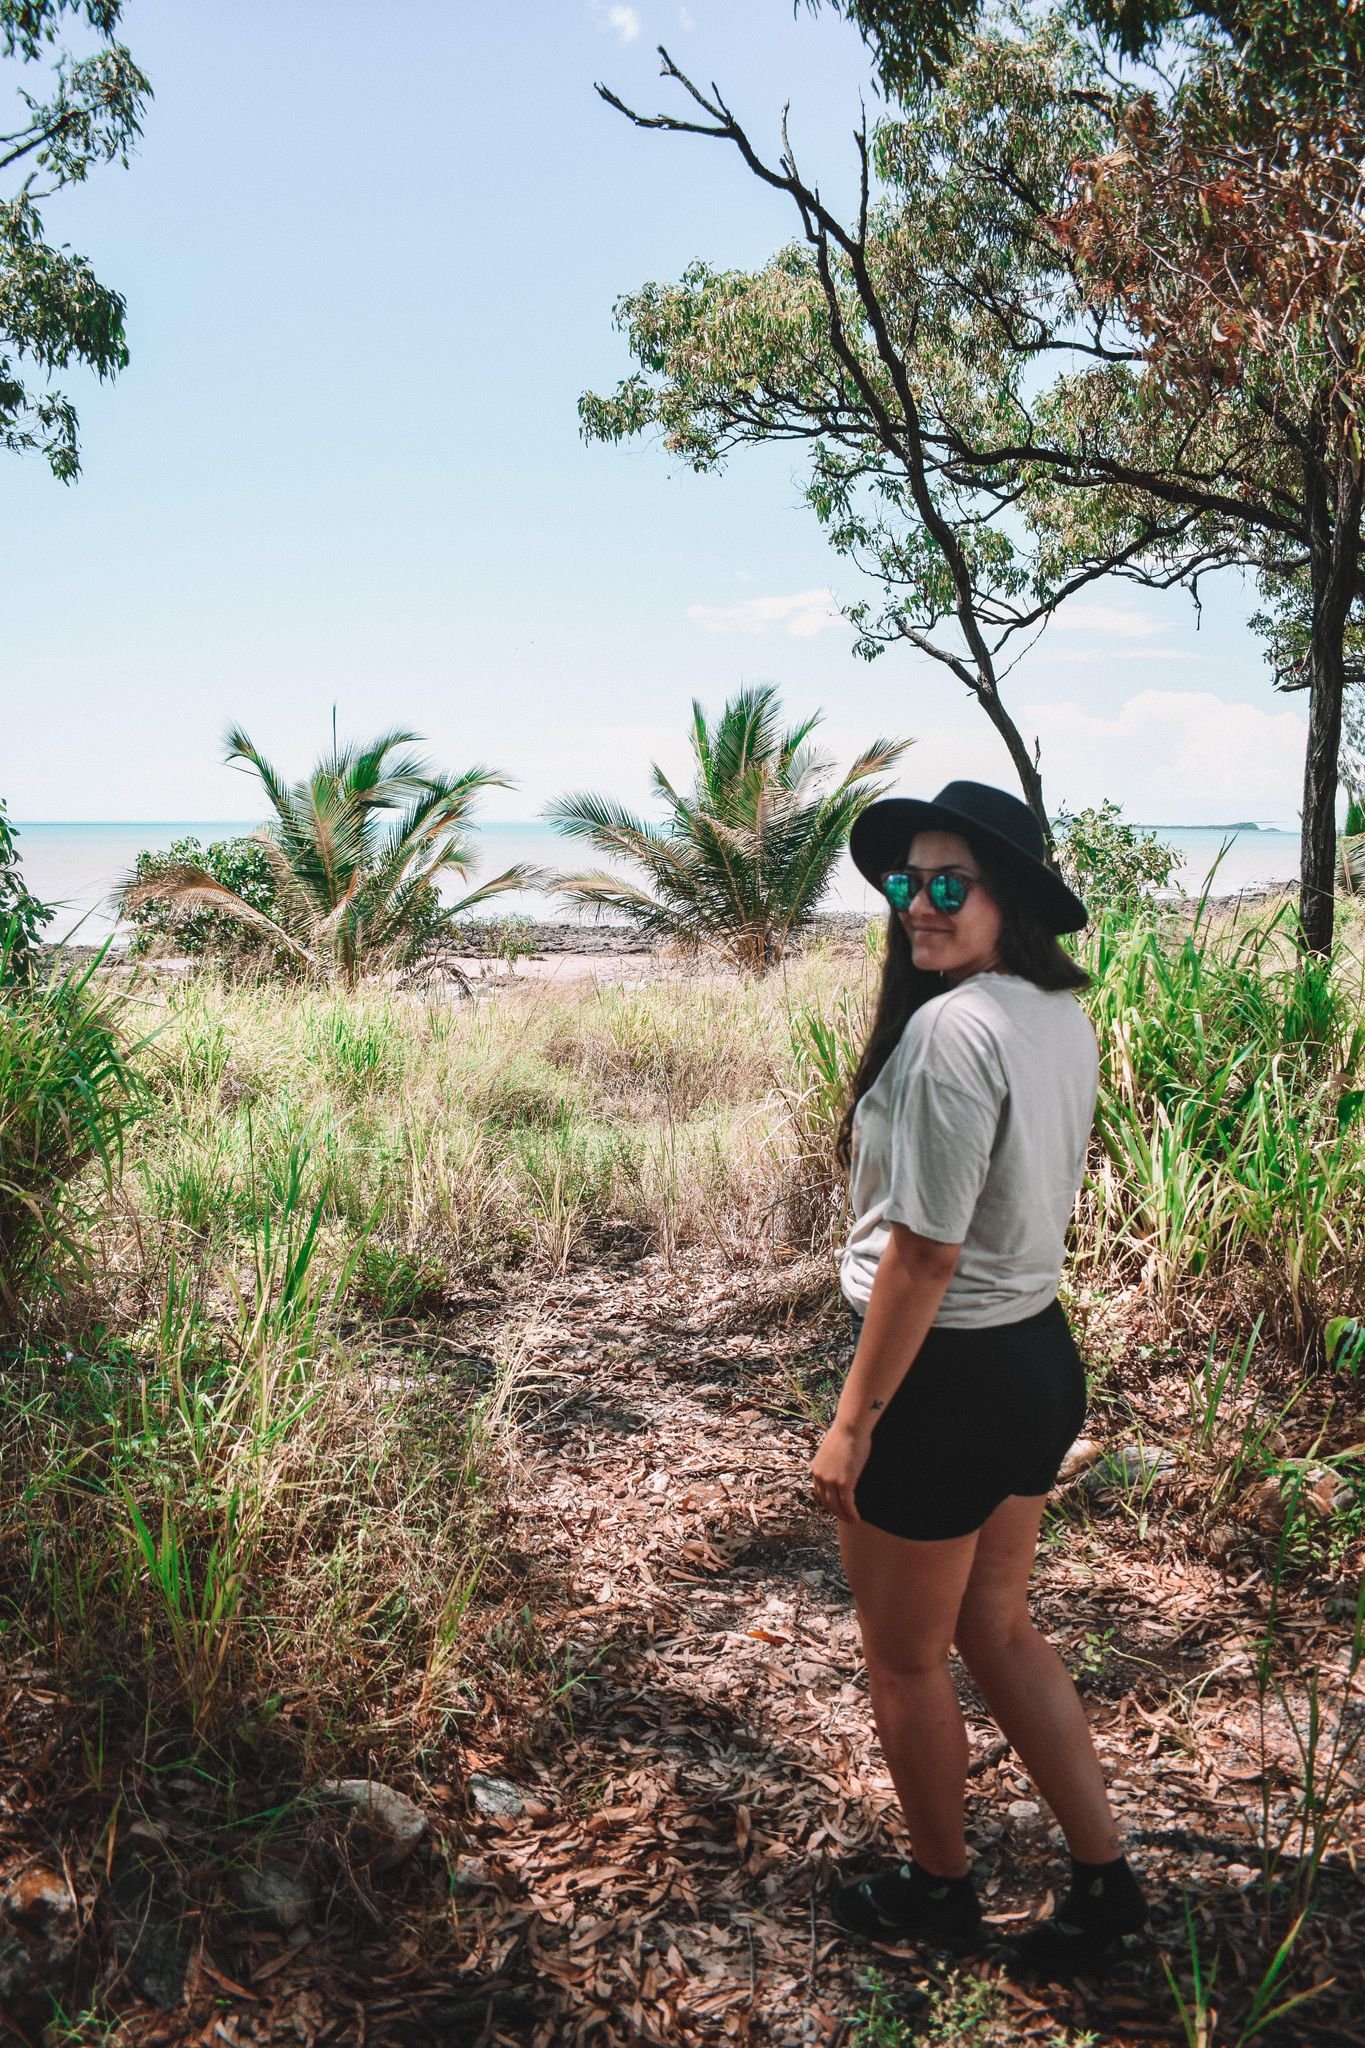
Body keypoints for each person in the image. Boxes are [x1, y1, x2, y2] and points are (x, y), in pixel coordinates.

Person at [810, 780, 1147, 1971]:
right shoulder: (1052, 1011)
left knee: (908, 1655)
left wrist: (854, 1421)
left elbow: (927, 1249)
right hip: (1035, 1361)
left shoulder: (954, 1028)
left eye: (950, 883)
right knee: (998, 1625)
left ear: (1009, 897)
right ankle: (1106, 1882)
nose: (919, 903)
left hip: (942, 1380)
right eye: (907, 881)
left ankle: (940, 1890)